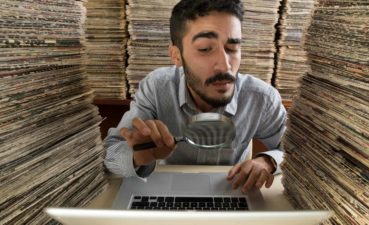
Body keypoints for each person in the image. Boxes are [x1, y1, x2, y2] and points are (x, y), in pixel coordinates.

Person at [104, 0, 286, 193]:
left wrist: (268, 161)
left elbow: (299, 151)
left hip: (233, 191)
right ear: (176, 55)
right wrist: (140, 156)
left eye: (232, 48)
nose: (225, 66)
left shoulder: (261, 98)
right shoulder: (157, 88)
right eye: (205, 49)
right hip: (169, 193)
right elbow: (109, 155)